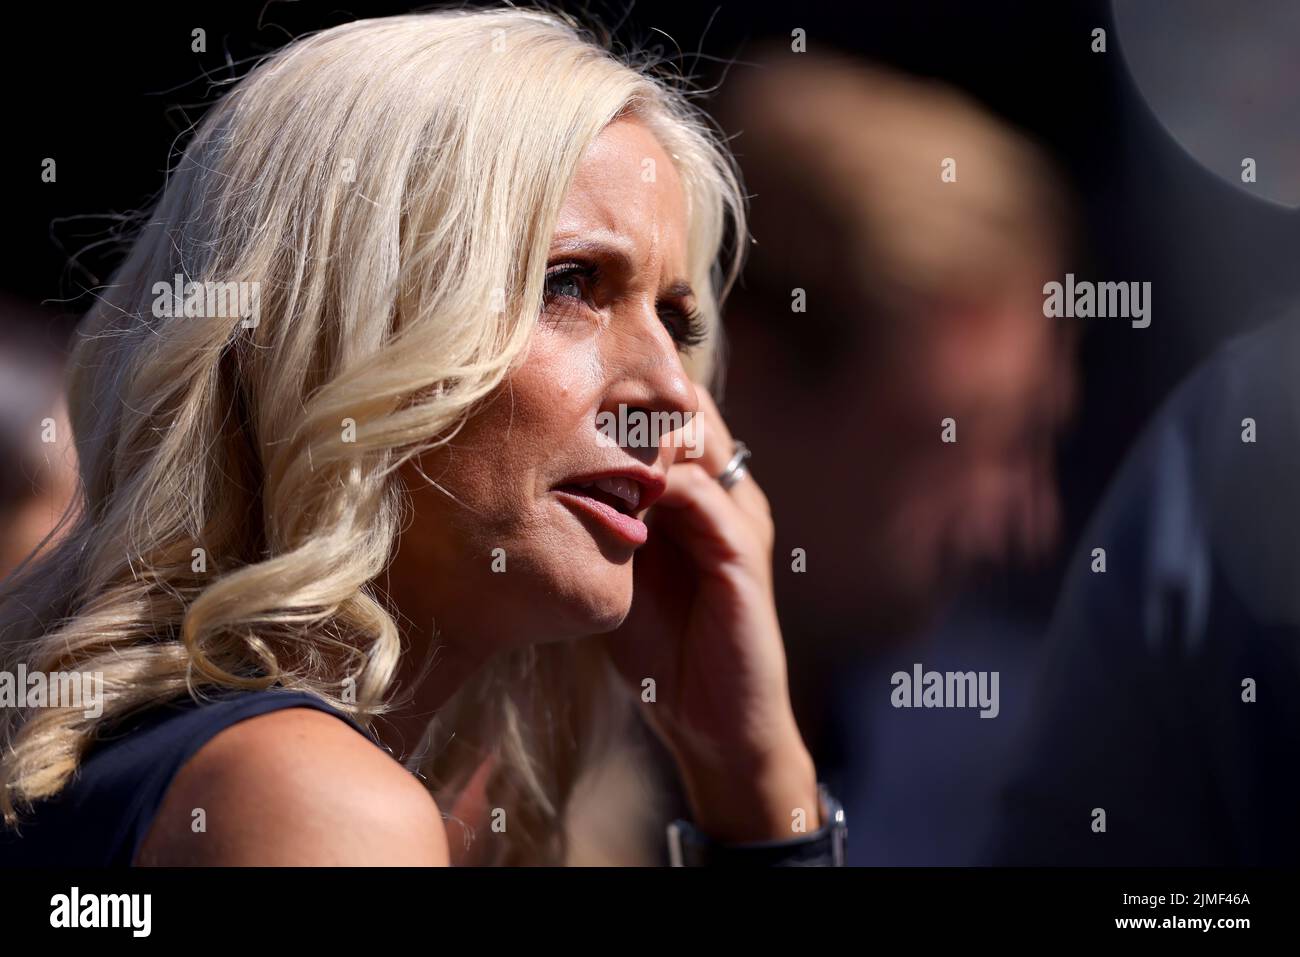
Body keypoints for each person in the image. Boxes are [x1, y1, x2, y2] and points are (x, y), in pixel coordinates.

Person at [0, 9, 844, 867]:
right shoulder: (308, 798)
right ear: (333, 330)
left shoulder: (195, 765)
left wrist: (746, 770)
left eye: (674, 320)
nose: (671, 397)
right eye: (569, 284)